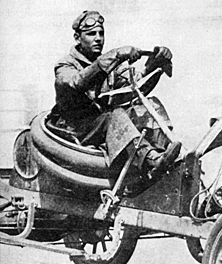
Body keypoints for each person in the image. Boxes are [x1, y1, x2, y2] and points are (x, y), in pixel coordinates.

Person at [49, 10, 181, 180]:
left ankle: (165, 154)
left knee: (148, 103)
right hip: (75, 129)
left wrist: (155, 65)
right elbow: (77, 83)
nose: (98, 38)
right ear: (77, 38)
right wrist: (116, 55)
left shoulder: (108, 64)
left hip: (100, 125)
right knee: (114, 115)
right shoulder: (65, 65)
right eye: (91, 34)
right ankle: (150, 159)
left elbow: (133, 90)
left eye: (101, 33)